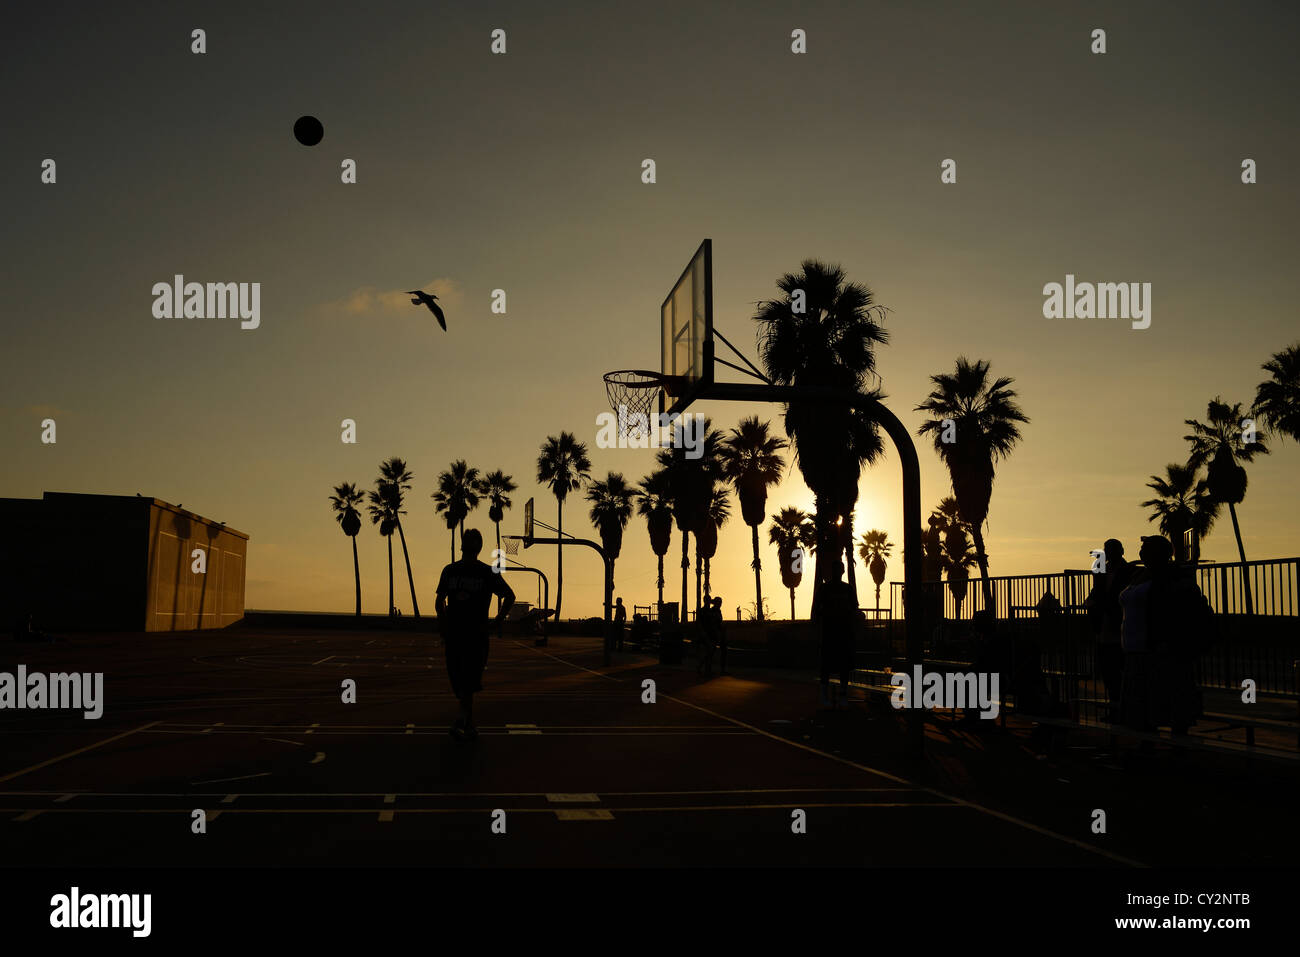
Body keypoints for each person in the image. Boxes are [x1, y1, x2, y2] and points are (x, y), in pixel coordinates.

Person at [435, 528, 515, 742]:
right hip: (462, 635)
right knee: (461, 681)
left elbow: (510, 596)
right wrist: (497, 621)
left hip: (471, 635)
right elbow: (439, 602)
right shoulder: (452, 571)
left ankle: (464, 720)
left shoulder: (485, 572)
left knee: (467, 681)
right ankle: (466, 720)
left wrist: (496, 621)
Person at [1085, 538, 1134, 719]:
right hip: (1104, 625)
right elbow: (1095, 591)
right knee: (1109, 672)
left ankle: (1123, 710)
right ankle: (1115, 709)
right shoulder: (1102, 569)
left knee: (1119, 672)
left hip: (1117, 625)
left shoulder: (1128, 571)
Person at [813, 559, 859, 708]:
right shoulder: (824, 589)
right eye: (836, 569)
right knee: (826, 667)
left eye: (840, 569)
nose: (838, 572)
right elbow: (816, 610)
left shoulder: (848, 589)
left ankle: (843, 695)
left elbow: (854, 609)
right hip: (829, 633)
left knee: (844, 667)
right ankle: (824, 695)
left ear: (842, 571)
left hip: (844, 633)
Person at [711, 596, 729, 674]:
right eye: (719, 602)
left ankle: (722, 669)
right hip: (714, 634)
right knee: (711, 652)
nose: (720, 604)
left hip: (719, 634)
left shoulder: (718, 611)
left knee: (722, 651)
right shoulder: (713, 611)